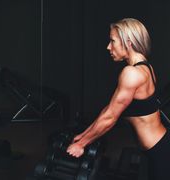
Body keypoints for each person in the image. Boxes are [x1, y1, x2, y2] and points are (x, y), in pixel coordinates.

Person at [66, 18, 169, 180]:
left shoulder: (131, 73)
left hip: (160, 152)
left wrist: (81, 145)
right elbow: (109, 110)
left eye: (112, 41)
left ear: (128, 42)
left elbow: (111, 117)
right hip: (158, 147)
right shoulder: (146, 67)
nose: (108, 47)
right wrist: (84, 135)